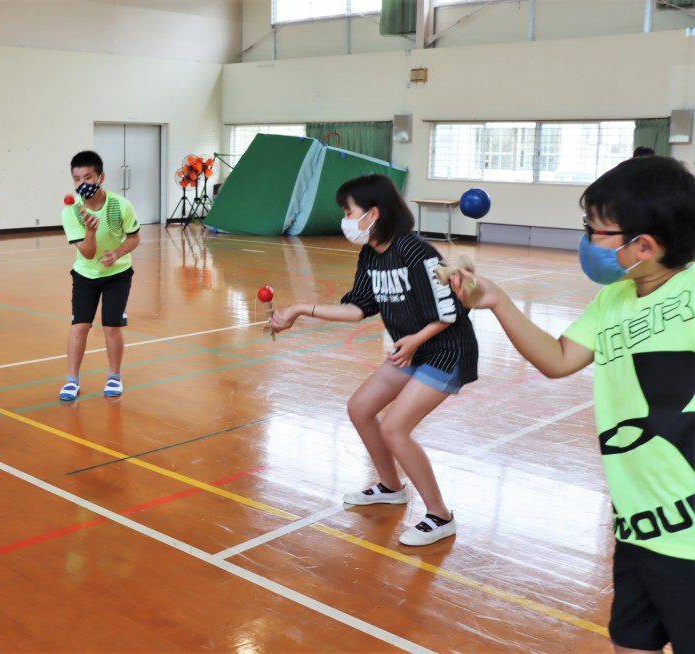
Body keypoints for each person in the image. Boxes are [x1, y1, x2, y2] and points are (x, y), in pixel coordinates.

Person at [450, 155, 694, 654]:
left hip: (688, 541)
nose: (585, 239)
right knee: (631, 643)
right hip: (637, 525)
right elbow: (559, 360)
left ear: (643, 245)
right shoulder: (613, 300)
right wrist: (495, 300)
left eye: (594, 229)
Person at [269, 174, 478, 546]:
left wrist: (413, 341)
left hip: (446, 351)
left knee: (394, 428)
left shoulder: (418, 253)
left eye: (349, 211)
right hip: (410, 351)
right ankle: (391, 487)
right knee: (361, 408)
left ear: (373, 214)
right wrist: (300, 309)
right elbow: (357, 308)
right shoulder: (370, 255)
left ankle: (440, 515)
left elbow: (451, 312)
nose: (345, 219)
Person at [59, 150, 141, 401]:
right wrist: (91, 232)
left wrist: (116, 254)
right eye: (76, 179)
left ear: (101, 176)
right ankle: (72, 381)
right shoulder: (71, 211)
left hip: (118, 274)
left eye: (87, 177)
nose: (82, 184)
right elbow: (87, 252)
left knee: (112, 327)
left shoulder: (120, 205)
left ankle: (114, 377)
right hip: (85, 274)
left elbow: (135, 237)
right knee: (79, 326)